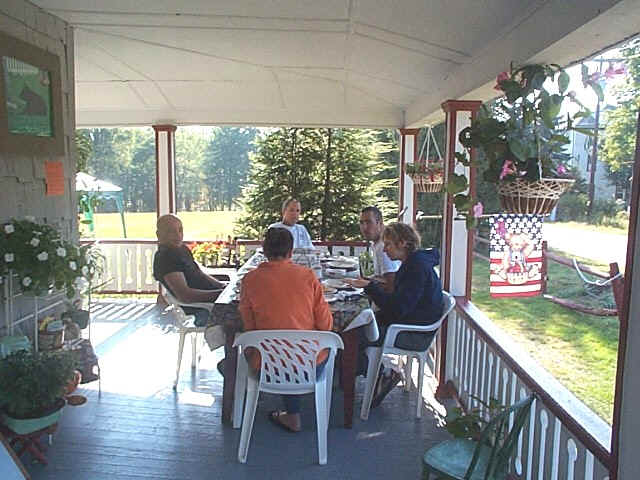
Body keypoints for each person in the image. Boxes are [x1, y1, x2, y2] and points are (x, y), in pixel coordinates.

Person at [239, 227, 332, 432]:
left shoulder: (250, 280)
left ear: (264, 250)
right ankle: (303, 411)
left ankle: (284, 412)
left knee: (263, 350)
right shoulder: (308, 277)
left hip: (266, 366)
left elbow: (249, 327)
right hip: (308, 366)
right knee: (317, 348)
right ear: (291, 252)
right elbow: (326, 325)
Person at [347, 222, 444, 408]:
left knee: (353, 335)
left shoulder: (416, 268)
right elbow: (400, 303)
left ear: (403, 243)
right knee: (358, 325)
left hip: (413, 333)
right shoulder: (413, 263)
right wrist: (372, 288)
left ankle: (378, 375)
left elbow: (398, 309)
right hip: (409, 322)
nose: (384, 250)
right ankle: (374, 374)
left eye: (388, 245)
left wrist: (371, 288)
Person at [153, 214, 226, 326]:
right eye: (171, 231)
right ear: (159, 235)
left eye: (180, 230)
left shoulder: (181, 249)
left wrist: (223, 286)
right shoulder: (165, 258)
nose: (178, 235)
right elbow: (185, 295)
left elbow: (199, 274)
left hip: (215, 300)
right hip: (203, 310)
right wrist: (221, 295)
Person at [359, 206, 401, 293]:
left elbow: (391, 285)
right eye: (361, 223)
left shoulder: (383, 247)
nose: (364, 227)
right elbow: (383, 278)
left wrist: (368, 285)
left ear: (380, 223)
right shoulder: (377, 243)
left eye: (369, 222)